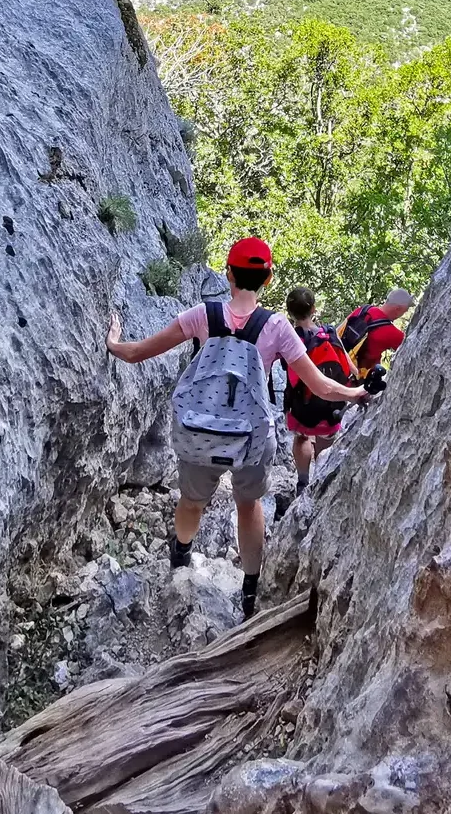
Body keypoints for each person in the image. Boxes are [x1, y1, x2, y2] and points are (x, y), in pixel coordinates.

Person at [106, 237, 369, 618]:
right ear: (269, 278)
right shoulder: (277, 327)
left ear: (228, 273)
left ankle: (181, 554)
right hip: (250, 437)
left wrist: (114, 342)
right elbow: (318, 385)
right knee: (248, 506)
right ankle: (249, 589)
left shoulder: (202, 315)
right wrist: (356, 392)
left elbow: (137, 353)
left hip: (200, 431)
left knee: (193, 500)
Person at [282, 286, 356, 500]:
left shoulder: (290, 338)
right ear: (314, 309)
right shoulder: (330, 333)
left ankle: (303, 480)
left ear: (290, 312)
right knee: (325, 441)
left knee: (302, 437)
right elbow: (349, 369)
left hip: (300, 404)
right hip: (330, 403)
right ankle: (320, 479)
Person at [339, 288, 415, 378]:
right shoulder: (393, 334)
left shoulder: (363, 310)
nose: (403, 314)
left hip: (337, 360)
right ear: (397, 309)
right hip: (358, 378)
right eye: (404, 311)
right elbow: (412, 352)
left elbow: (338, 331)